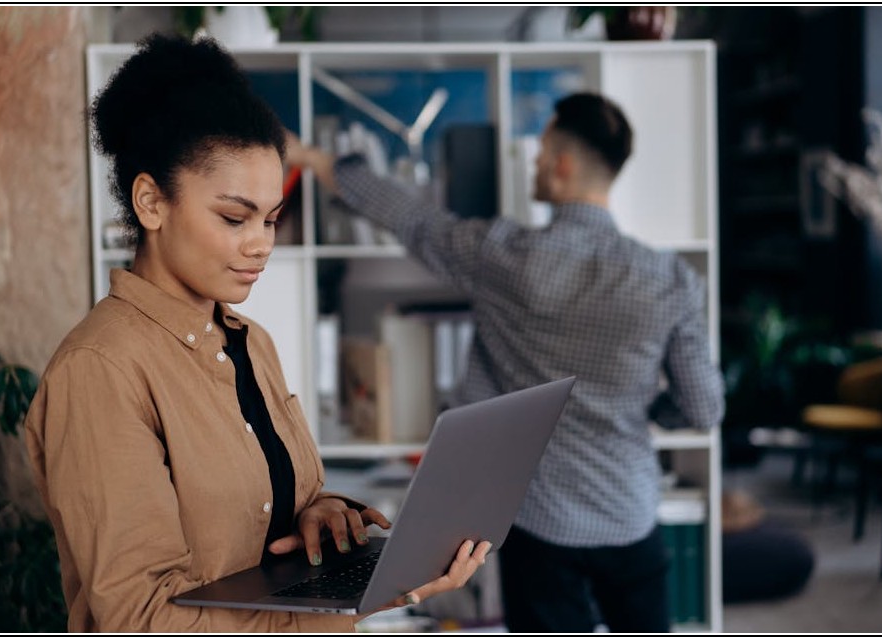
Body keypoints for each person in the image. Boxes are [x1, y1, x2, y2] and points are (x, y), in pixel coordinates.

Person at [23, 33, 490, 633]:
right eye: (233, 217)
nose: (261, 243)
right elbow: (143, 620)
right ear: (150, 202)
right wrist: (342, 610)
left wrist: (320, 515)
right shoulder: (101, 369)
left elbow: (262, 514)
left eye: (270, 219)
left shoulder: (250, 341)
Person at [288, 91, 725, 633]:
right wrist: (650, 409)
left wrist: (314, 158)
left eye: (541, 153)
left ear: (562, 165)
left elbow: (412, 219)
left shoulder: (504, 256)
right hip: (629, 510)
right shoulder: (672, 279)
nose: (535, 163)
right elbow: (704, 409)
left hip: (542, 520)